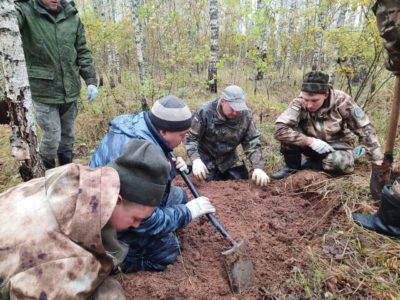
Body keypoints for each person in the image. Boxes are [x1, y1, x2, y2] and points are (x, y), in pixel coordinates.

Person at [0, 140, 171, 298]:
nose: (136, 225)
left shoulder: (67, 181)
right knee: (109, 293)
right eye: (135, 218)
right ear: (117, 200)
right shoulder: (70, 262)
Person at [89, 95, 215, 272]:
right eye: (182, 134)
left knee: (180, 196)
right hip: (111, 218)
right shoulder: (139, 147)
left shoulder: (139, 125)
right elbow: (144, 219)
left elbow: (149, 185)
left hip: (123, 200)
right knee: (170, 250)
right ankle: (124, 262)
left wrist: (169, 165)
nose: (185, 139)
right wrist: (187, 212)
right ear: (163, 131)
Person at [14, 0, 99, 170]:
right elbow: (8, 19)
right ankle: (47, 175)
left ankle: (65, 174)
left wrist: (90, 80)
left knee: (67, 137)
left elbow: (82, 50)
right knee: (52, 137)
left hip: (71, 90)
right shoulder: (25, 11)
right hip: (44, 92)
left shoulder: (72, 16)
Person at [271, 70, 383, 180]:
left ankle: (310, 165)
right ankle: (292, 168)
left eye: (314, 100)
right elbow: (279, 129)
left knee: (340, 164)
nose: (309, 105)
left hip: (337, 147)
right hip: (311, 145)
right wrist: (309, 141)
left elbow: (365, 129)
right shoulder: (299, 102)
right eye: (306, 99)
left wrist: (376, 159)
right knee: (288, 132)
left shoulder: (342, 101)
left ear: (326, 94)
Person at [185, 85, 270, 186]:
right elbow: (190, 138)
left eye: (238, 109)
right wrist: (196, 160)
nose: (235, 113)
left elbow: (251, 142)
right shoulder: (204, 112)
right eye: (232, 108)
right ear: (222, 102)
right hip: (205, 160)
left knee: (243, 184)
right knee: (201, 185)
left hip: (229, 160)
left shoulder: (245, 115)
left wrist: (258, 167)